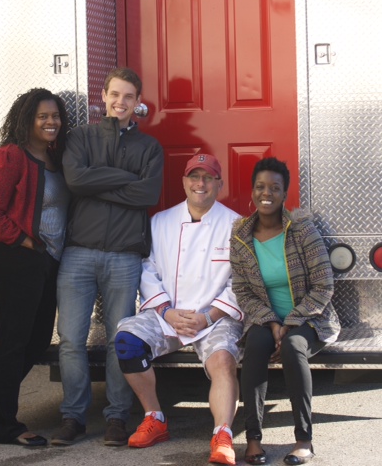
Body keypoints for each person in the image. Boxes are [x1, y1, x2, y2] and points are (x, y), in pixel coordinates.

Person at [51, 67, 164, 447]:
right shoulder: (80, 137)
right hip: (78, 254)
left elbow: (146, 195)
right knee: (70, 339)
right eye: (115, 94)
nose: (120, 102)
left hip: (123, 257)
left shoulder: (149, 148)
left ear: (137, 102)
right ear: (103, 95)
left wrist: (98, 180)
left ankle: (117, 416)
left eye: (128, 96)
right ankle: (74, 417)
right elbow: (76, 181)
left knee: (121, 339)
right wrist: (122, 177)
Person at [0, 88, 69, 446]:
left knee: (33, 342)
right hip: (13, 256)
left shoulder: (55, 157)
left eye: (55, 116)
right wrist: (27, 242)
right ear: (27, 119)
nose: (51, 122)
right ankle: (3, 426)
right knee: (12, 341)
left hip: (43, 260)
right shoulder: (13, 156)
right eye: (42, 116)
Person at [114, 153, 244, 466]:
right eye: (194, 177)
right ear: (184, 182)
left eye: (208, 177)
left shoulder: (237, 225)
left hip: (214, 318)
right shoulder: (161, 222)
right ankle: (154, 418)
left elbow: (243, 281)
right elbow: (148, 268)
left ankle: (223, 435)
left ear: (219, 183)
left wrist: (208, 316)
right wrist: (166, 312)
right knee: (127, 340)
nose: (200, 183)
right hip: (168, 315)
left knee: (224, 361)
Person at [230, 157, 340, 466]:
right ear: (252, 191)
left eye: (275, 188)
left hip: (309, 317)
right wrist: (271, 322)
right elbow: (243, 290)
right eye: (261, 187)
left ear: (284, 194)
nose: (267, 193)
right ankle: (253, 441)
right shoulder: (240, 234)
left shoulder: (302, 230)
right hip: (264, 318)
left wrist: (290, 322)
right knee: (255, 347)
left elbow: (323, 285)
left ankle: (304, 440)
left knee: (293, 348)